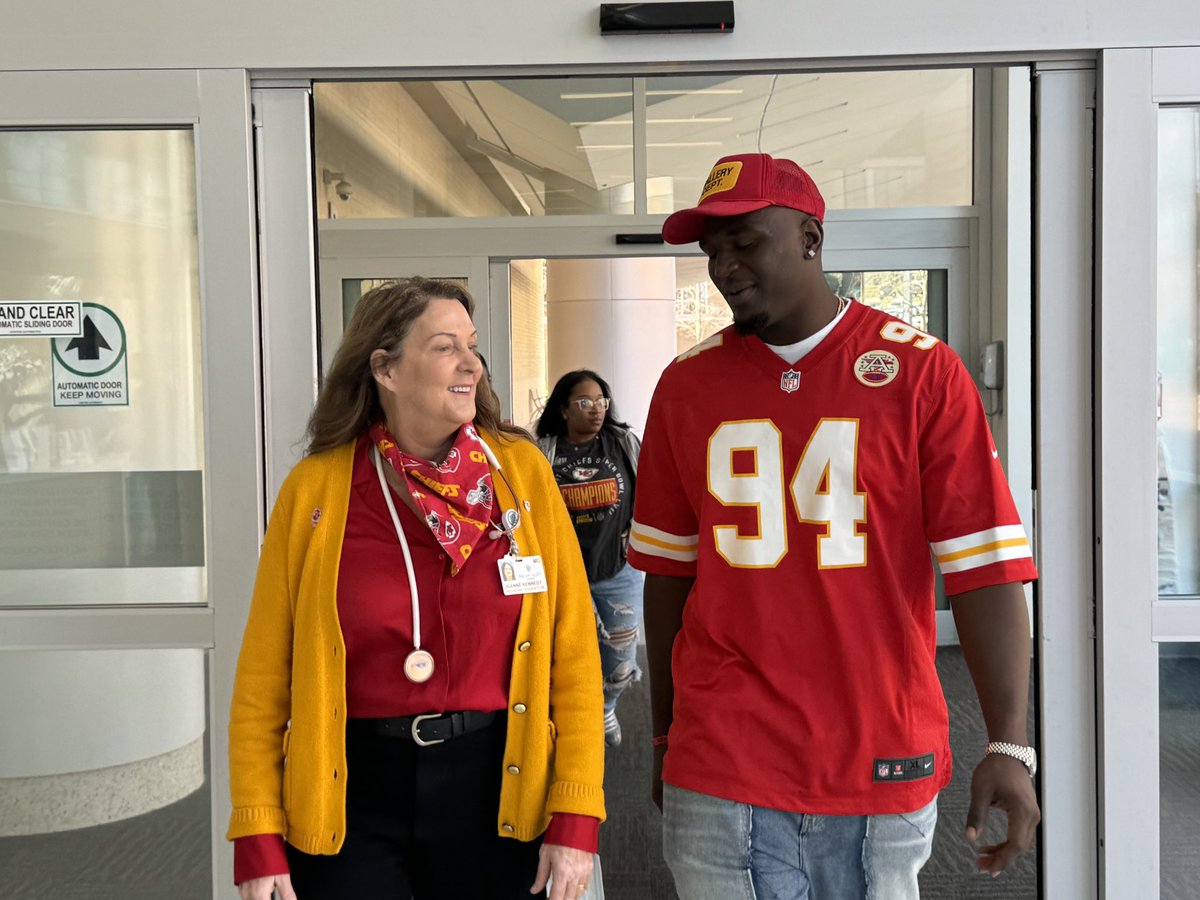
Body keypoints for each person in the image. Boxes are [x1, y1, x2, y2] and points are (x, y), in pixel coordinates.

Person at [627, 153, 1040, 899]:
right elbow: (668, 576)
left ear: (811, 239)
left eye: (744, 241)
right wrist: (663, 733)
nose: (722, 265)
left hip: (879, 749)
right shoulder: (685, 386)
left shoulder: (923, 373)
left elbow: (985, 569)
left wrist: (1009, 741)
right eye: (710, 248)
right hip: (722, 751)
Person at [227, 277, 605, 900]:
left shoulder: (521, 475)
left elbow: (573, 658)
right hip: (350, 792)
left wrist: (577, 813)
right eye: (443, 347)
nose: (471, 364)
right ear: (385, 369)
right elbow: (264, 680)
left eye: (472, 346)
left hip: (499, 780)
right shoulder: (317, 489)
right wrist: (258, 831)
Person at [535, 370, 643, 747]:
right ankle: (565, 724)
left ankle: (606, 705)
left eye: (601, 401)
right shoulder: (542, 452)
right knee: (559, 656)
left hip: (617, 570)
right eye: (584, 402)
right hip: (561, 575)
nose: (596, 410)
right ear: (564, 410)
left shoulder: (624, 443)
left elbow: (653, 491)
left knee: (621, 659)